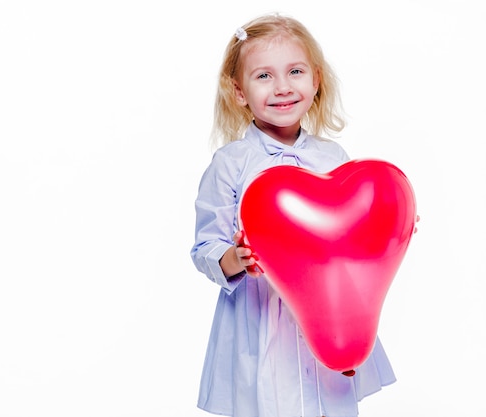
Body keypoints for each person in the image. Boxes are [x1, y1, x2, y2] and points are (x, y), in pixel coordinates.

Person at [190, 13, 397, 417]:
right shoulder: (231, 163)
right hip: (262, 315)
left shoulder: (332, 159)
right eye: (263, 76)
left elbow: (350, 235)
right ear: (238, 92)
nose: (282, 87)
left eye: (295, 71)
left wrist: (389, 225)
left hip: (330, 316)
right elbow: (205, 245)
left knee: (328, 402)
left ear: (316, 81)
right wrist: (236, 258)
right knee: (268, 401)